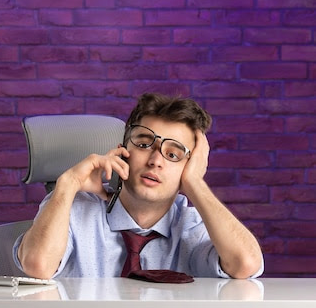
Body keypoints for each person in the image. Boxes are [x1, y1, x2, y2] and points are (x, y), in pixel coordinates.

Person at [14, 93, 264, 279]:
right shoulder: (69, 208)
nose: (156, 161)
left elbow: (246, 263)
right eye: (144, 144)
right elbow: (38, 266)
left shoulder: (192, 225)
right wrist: (67, 184)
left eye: (173, 155)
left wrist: (195, 183)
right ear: (123, 151)